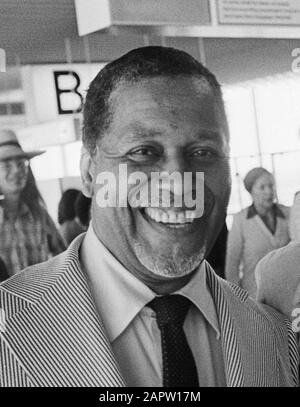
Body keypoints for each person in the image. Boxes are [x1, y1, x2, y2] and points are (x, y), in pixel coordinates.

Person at [0, 47, 298, 387]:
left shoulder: (273, 335)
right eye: (144, 152)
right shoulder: (9, 329)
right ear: (88, 173)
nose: (179, 185)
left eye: (203, 152)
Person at [0, 129, 66, 276]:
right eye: (7, 165)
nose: (17, 170)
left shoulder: (39, 216)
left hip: (36, 298)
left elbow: (65, 260)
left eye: (21, 163)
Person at [225, 167, 290, 298]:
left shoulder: (288, 213)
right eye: (262, 187)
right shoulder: (241, 220)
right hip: (255, 296)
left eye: (271, 186)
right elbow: (232, 264)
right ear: (251, 191)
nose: (269, 191)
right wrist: (237, 299)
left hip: (288, 294)